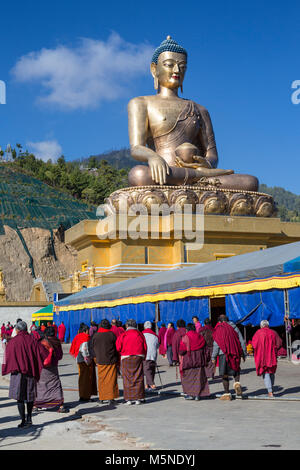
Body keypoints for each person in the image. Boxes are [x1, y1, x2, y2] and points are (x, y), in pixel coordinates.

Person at [127, 36, 258, 192]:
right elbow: (136, 147)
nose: (177, 71)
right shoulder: (141, 103)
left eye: (182, 67)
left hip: (201, 175)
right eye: (170, 65)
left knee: (250, 182)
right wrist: (153, 157)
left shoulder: (199, 110)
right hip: (166, 174)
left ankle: (195, 178)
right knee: (139, 175)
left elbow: (212, 154)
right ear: (154, 69)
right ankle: (195, 178)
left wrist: (207, 164)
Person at [2, 321, 48, 428]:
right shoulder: (32, 340)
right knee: (29, 396)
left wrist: (5, 368)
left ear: (17, 330)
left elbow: (7, 355)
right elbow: (43, 353)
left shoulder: (13, 342)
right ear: (26, 329)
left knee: (20, 397)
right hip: (30, 372)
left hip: (17, 373)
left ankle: (23, 421)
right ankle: (29, 419)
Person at [212, 315, 246, 400]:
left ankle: (227, 394)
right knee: (236, 370)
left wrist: (213, 357)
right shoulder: (234, 327)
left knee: (225, 375)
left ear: (219, 321)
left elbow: (216, 344)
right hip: (235, 352)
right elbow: (241, 340)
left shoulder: (219, 329)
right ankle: (237, 383)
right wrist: (243, 353)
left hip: (223, 354)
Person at [34, 326, 68, 412]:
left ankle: (37, 405)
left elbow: (38, 355)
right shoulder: (57, 342)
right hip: (53, 367)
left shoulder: (42, 342)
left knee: (41, 385)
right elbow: (60, 356)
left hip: (43, 368)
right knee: (55, 385)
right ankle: (60, 405)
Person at [116, 319, 147, 405]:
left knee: (127, 378)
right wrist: (144, 357)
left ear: (126, 326)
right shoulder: (140, 334)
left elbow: (118, 347)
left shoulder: (123, 335)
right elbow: (145, 347)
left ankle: (129, 399)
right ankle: (138, 398)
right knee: (138, 376)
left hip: (126, 357)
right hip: (138, 356)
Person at [179, 323, 210, 400]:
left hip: (189, 361)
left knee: (188, 378)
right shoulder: (200, 336)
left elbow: (182, 351)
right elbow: (205, 348)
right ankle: (197, 395)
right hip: (199, 360)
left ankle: (190, 394)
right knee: (198, 378)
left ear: (187, 329)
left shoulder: (185, 337)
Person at [252, 320, 283, 397]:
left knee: (266, 373)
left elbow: (254, 345)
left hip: (262, 357)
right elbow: (279, 343)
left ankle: (270, 392)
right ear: (268, 325)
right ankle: (271, 389)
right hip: (272, 356)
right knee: (271, 372)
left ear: (261, 326)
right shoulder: (273, 332)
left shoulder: (258, 333)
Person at [91, 319, 119, 405]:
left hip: (100, 360)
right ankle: (110, 398)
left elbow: (92, 347)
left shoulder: (96, 335)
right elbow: (116, 347)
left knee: (102, 379)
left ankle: (102, 398)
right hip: (111, 360)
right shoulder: (111, 335)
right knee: (111, 380)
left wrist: (95, 358)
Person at [69, 324, 97, 402]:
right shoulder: (86, 337)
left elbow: (74, 347)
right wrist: (88, 359)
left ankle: (82, 395)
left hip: (78, 359)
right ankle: (86, 396)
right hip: (85, 360)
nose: (88, 332)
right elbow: (85, 350)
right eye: (88, 330)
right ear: (85, 330)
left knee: (82, 378)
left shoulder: (77, 336)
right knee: (87, 379)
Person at [142, 321, 159, 391]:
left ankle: (152, 384)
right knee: (152, 369)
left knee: (147, 369)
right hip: (153, 354)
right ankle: (147, 385)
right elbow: (157, 345)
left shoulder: (142, 334)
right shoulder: (155, 335)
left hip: (146, 354)